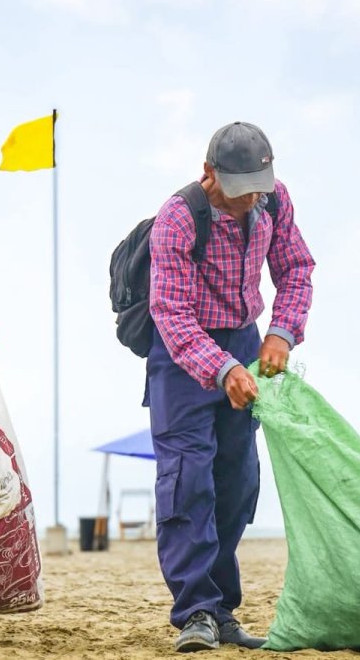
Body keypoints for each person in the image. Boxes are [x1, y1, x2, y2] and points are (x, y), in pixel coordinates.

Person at [146, 122, 315, 652]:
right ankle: (195, 611)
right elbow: (169, 313)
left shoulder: (272, 200)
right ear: (209, 175)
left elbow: (296, 269)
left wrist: (281, 333)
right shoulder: (177, 219)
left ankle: (222, 611)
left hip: (244, 341)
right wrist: (222, 370)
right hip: (181, 356)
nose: (250, 202)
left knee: (236, 483)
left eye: (259, 189)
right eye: (240, 193)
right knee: (187, 481)